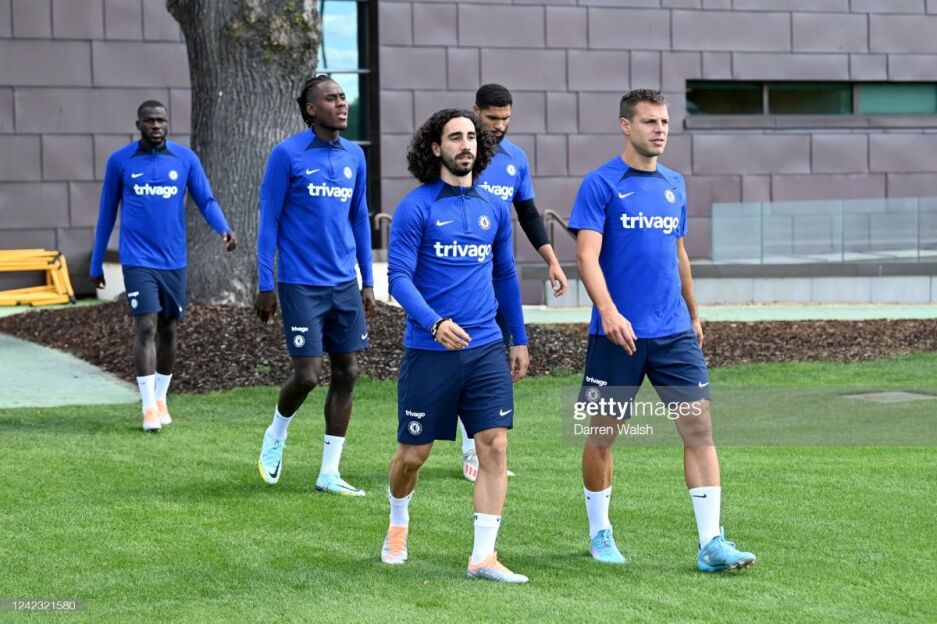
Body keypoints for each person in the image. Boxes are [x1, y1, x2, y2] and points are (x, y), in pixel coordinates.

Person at [568, 89, 756, 572]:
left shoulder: (674, 183)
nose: (660, 130)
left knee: (699, 429)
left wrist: (693, 312)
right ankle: (600, 532)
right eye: (650, 121)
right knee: (603, 435)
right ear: (625, 125)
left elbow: (678, 253)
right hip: (616, 335)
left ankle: (711, 543)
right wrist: (608, 311)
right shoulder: (600, 183)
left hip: (673, 333)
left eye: (665, 122)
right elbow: (586, 256)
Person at [380, 109, 529, 583]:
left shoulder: (493, 207)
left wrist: (518, 337)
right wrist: (433, 322)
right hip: (429, 352)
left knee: (494, 446)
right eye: (455, 137)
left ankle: (483, 557)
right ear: (435, 147)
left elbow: (504, 274)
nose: (465, 145)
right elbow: (398, 278)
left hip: (485, 347)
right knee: (413, 457)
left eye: (471, 137)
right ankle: (398, 522)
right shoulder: (416, 207)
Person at [254, 75, 374, 496]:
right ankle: (276, 434)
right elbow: (269, 219)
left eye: (343, 97)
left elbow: (359, 218)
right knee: (307, 376)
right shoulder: (287, 154)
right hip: (300, 283)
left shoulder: (355, 155)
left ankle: (329, 472)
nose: (341, 104)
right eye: (331, 99)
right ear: (310, 109)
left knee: (348, 372)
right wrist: (264, 283)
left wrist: (367, 280)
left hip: (344, 283)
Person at [90, 100, 236, 432]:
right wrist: (97, 263)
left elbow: (205, 199)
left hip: (173, 260)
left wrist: (224, 229)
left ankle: (160, 398)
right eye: (149, 121)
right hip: (137, 259)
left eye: (161, 120)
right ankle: (147, 408)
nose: (156, 126)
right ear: (138, 125)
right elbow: (106, 214)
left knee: (168, 329)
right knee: (145, 326)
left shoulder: (185, 159)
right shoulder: (120, 161)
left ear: (167, 124)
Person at [456, 83, 570, 482]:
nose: (500, 125)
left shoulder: (515, 159)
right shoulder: (459, 154)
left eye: (506, 118)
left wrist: (551, 260)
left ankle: (481, 447)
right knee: (463, 359)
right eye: (492, 118)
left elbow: (529, 213)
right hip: (460, 276)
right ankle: (470, 448)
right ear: (476, 111)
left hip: (499, 276)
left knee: (495, 358)